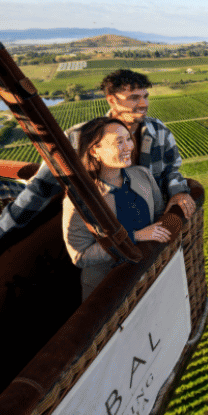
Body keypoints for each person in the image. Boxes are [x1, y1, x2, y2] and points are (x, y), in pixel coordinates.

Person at [0, 69, 196, 266]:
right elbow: (40, 189)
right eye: (134, 98)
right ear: (112, 100)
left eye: (145, 96)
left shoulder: (158, 131)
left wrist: (179, 192)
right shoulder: (77, 139)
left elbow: (171, 170)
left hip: (151, 236)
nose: (143, 104)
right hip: (103, 244)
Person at [65, 117, 171, 300]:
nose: (128, 146)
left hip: (149, 276)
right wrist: (134, 236)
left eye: (128, 139)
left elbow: (159, 214)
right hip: (109, 291)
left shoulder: (142, 175)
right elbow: (80, 256)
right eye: (119, 142)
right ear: (94, 150)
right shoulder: (79, 199)